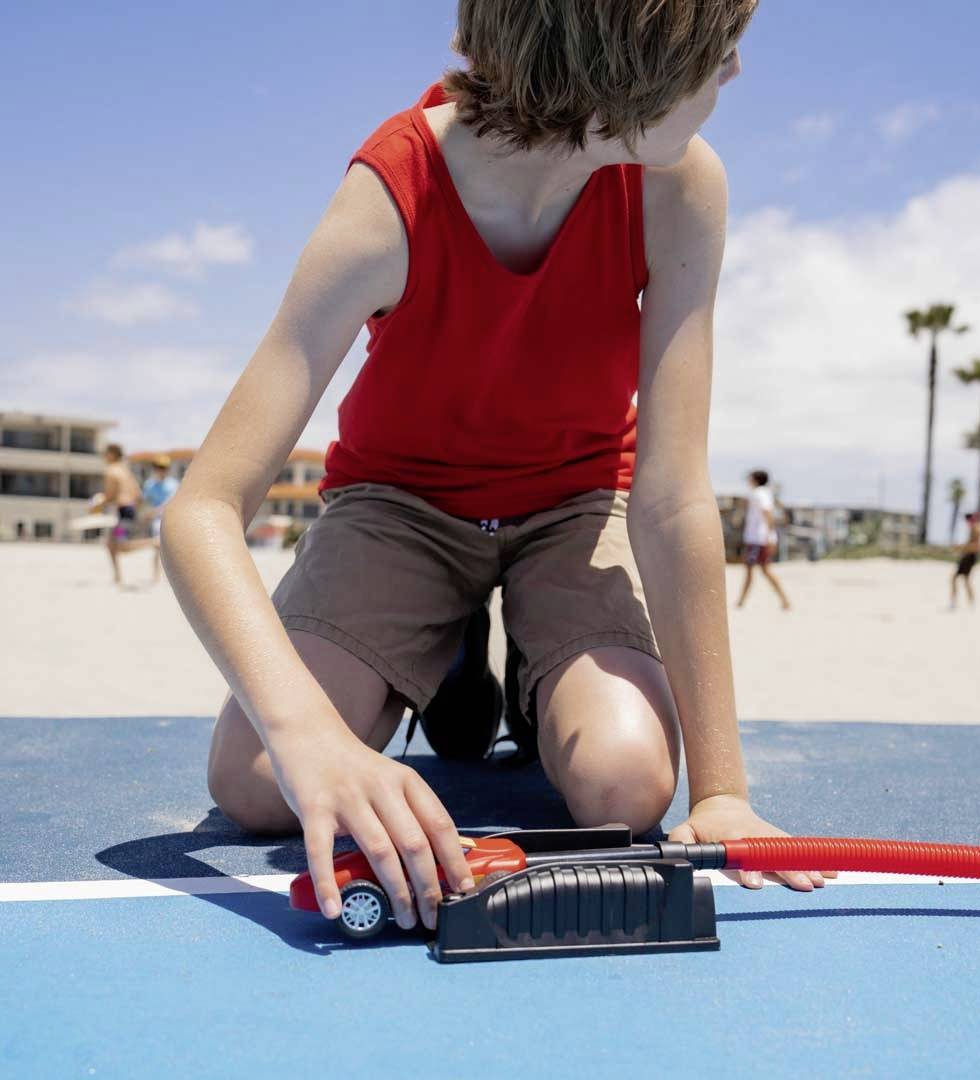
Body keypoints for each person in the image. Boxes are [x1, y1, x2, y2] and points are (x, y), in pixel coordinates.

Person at [162, 0, 833, 933]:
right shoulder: (389, 195)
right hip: (399, 503)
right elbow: (200, 511)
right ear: (619, 84)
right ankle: (447, 653)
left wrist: (720, 790)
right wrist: (310, 736)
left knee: (627, 785)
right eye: (716, 53)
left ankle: (525, 649)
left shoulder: (681, 187)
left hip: (570, 505)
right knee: (259, 782)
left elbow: (672, 497)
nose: (732, 75)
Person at [97, 443, 155, 586]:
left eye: (106, 453)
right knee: (111, 544)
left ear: (112, 454)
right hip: (129, 510)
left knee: (121, 545)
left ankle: (153, 543)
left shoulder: (111, 470)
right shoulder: (126, 471)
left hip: (123, 510)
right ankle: (117, 577)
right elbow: (139, 495)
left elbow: (110, 496)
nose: (104, 457)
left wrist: (97, 503)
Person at [736, 470, 791, 610]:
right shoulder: (764, 493)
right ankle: (741, 601)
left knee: (761, 570)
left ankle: (783, 599)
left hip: (758, 539)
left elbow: (767, 514)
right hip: (757, 538)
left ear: (755, 479)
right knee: (759, 570)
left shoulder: (759, 493)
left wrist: (771, 536)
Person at [142, 455, 180, 583]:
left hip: (172, 519)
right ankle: (156, 575)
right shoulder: (149, 484)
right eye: (158, 467)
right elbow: (145, 502)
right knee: (158, 547)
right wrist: (146, 514)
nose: (160, 469)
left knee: (171, 549)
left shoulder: (174, 484)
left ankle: (171, 576)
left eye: (163, 467)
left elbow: (170, 503)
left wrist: (154, 512)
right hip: (157, 521)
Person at [950, 511, 980, 609]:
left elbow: (975, 546)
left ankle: (955, 602)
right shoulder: (976, 528)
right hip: (969, 556)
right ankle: (970, 602)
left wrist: (960, 547)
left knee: (957, 578)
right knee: (965, 579)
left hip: (970, 556)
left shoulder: (976, 528)